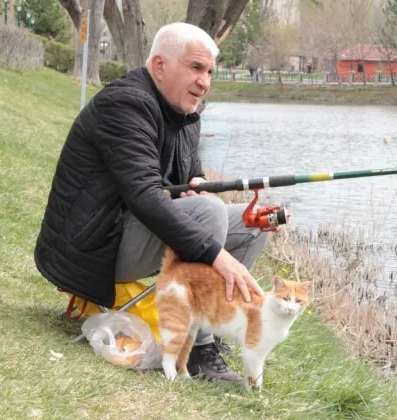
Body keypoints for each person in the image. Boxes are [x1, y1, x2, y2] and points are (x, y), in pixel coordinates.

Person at [33, 22, 269, 382]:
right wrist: (216, 254)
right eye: (195, 68)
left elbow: (188, 178)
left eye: (208, 71)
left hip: (128, 234)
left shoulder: (187, 114)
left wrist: (199, 185)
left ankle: (212, 332)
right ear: (159, 66)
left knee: (253, 226)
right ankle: (198, 352)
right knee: (208, 214)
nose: (204, 81)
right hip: (92, 248)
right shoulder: (125, 104)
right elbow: (144, 195)